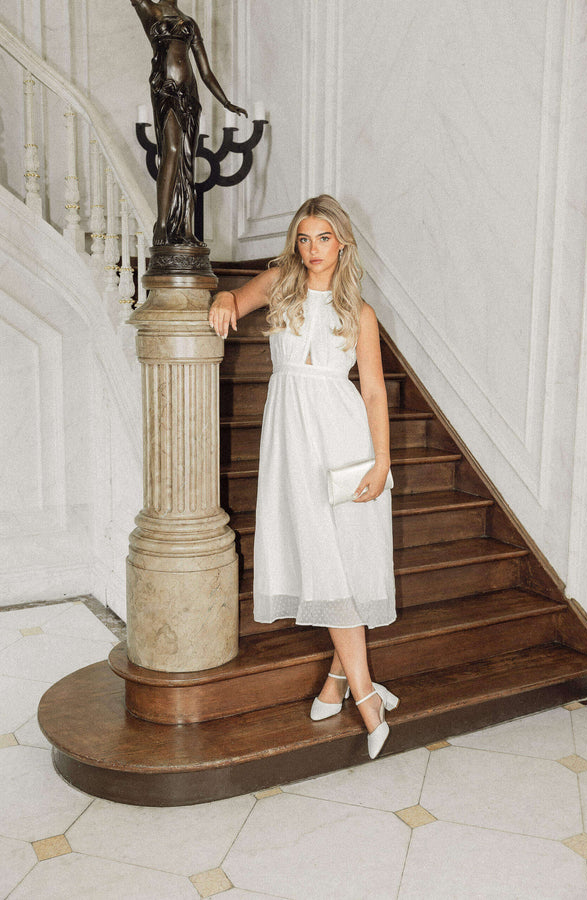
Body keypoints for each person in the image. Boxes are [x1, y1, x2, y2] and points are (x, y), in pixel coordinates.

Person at [209, 195, 398, 759]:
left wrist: (383, 459)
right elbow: (235, 299)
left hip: (345, 438)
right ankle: (349, 684)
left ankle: (354, 689)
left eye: (323, 238)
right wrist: (221, 296)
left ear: (342, 242)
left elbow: (371, 390)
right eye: (304, 238)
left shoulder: (360, 312)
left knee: (347, 556)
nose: (312, 250)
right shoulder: (280, 283)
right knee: (323, 555)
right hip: (293, 440)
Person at [129, 0, 246, 245]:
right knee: (172, 151)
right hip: (166, 92)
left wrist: (226, 102)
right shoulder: (151, 11)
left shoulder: (190, 23)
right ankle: (162, 223)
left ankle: (186, 229)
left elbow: (205, 72)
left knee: (187, 163)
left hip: (189, 95)